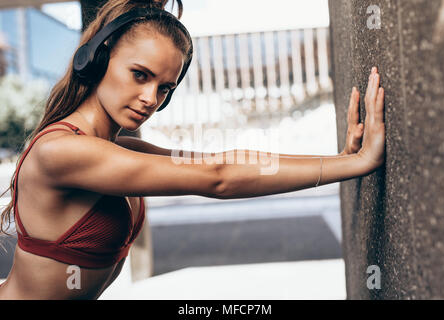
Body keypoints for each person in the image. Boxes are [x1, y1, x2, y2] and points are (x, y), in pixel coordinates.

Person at [0, 0, 385, 300]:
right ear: (99, 59)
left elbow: (218, 162)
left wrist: (343, 159)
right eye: (140, 75)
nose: (151, 98)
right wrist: (360, 163)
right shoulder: (62, 153)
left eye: (165, 87)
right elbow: (217, 178)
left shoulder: (120, 147)